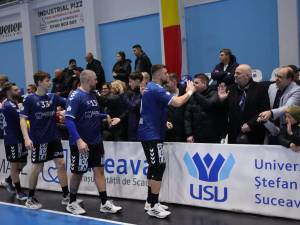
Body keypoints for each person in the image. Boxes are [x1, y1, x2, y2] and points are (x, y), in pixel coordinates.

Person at [138, 64, 195, 219]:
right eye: (165, 73)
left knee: (153, 165)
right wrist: (190, 92)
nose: (167, 75)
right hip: (151, 134)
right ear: (158, 74)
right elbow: (177, 102)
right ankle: (154, 206)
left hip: (151, 131)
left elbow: (149, 109)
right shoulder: (155, 88)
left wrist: (163, 121)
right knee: (158, 166)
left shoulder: (150, 88)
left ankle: (150, 202)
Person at [64, 70, 122, 215]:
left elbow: (91, 113)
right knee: (78, 173)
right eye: (95, 79)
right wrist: (78, 140)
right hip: (81, 144)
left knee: (99, 170)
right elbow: (69, 120)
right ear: (88, 80)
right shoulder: (75, 96)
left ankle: (104, 203)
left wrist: (105, 116)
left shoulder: (93, 94)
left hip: (96, 141)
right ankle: (71, 202)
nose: (97, 81)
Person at [20, 71, 70, 209]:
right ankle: (30, 197)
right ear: (40, 82)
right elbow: (23, 119)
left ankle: (66, 196)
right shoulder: (30, 99)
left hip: (54, 138)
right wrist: (26, 138)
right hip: (39, 140)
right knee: (38, 167)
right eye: (47, 80)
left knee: (61, 163)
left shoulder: (53, 97)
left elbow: (70, 103)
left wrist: (66, 112)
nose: (50, 82)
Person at [218, 64, 269, 144]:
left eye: (238, 73)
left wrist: (251, 124)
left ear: (248, 75)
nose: (234, 75)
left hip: (254, 133)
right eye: (235, 73)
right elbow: (224, 112)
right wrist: (221, 100)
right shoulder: (230, 89)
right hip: (234, 134)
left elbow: (265, 111)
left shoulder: (260, 89)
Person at [1, 82, 28, 200]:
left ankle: (8, 180)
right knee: (14, 164)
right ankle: (19, 191)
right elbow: (22, 116)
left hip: (20, 138)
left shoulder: (14, 103)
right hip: (12, 139)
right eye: (16, 90)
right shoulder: (8, 105)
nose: (19, 91)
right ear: (8, 91)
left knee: (23, 163)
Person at [258, 67, 300, 136]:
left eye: (280, 77)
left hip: (287, 128)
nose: (276, 79)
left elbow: (288, 107)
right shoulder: (272, 87)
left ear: (289, 79)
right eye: (276, 75)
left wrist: (271, 113)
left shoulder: (297, 90)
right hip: (271, 127)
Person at [185, 74, 225, 143]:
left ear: (204, 83)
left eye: (196, 83)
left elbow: (208, 105)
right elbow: (187, 117)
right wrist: (189, 134)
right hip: (196, 136)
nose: (194, 85)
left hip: (213, 136)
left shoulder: (215, 94)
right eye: (193, 83)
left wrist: (194, 93)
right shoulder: (191, 97)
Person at [165, 73, 186, 142]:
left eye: (167, 82)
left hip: (182, 131)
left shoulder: (185, 93)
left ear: (174, 82)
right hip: (168, 132)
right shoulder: (163, 95)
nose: (165, 85)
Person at [122, 72, 143, 141]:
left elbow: (132, 107)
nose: (129, 84)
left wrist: (122, 94)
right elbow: (129, 110)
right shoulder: (134, 93)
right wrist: (120, 118)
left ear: (137, 81)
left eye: (131, 82)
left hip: (140, 131)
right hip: (132, 130)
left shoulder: (143, 93)